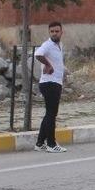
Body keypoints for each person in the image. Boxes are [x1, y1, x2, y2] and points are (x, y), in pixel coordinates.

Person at [34, 21, 68, 153]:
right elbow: (38, 54)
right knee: (51, 114)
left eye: (56, 31)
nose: (54, 33)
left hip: (55, 82)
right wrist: (48, 65)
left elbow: (58, 62)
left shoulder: (59, 45)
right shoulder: (47, 45)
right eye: (52, 31)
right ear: (49, 33)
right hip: (49, 83)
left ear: (61, 32)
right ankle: (51, 144)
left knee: (49, 114)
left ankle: (40, 143)